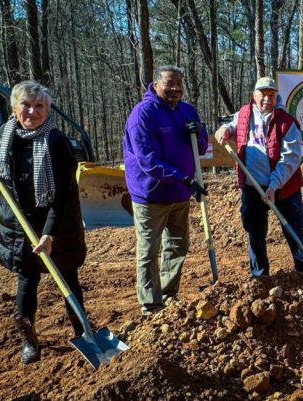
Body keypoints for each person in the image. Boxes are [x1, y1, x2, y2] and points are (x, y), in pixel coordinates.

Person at [0, 80, 87, 364]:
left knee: (67, 277)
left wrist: (49, 235)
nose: (33, 112)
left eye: (40, 106)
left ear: (48, 110)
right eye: (26, 104)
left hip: (57, 223)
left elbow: (60, 197)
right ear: (14, 108)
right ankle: (29, 339)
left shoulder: (56, 142)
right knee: (27, 280)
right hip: (19, 223)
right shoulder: (3, 132)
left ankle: (84, 332)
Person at [123, 66, 208, 315]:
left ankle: (169, 295)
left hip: (181, 194)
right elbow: (147, 160)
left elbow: (200, 148)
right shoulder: (143, 114)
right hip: (151, 196)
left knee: (178, 245)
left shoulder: (187, 110)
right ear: (156, 84)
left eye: (179, 84)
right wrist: (182, 178)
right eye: (170, 84)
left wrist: (198, 134)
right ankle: (151, 303)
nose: (175, 89)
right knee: (149, 251)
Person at [215, 77, 303, 276]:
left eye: (271, 94)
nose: (267, 99)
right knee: (255, 233)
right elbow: (234, 125)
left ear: (276, 96)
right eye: (263, 94)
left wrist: (274, 185)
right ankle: (260, 277)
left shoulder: (286, 121)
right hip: (252, 187)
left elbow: (291, 158)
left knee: (294, 230)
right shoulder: (244, 113)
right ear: (254, 96)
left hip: (284, 188)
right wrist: (225, 129)